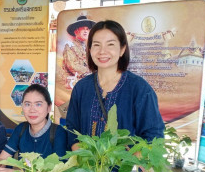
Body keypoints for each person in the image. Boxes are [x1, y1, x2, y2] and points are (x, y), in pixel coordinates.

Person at [66, 20, 165, 151]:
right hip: (87, 169)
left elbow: (154, 136)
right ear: (89, 50)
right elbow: (72, 128)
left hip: (125, 169)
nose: (102, 51)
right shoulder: (81, 88)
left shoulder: (139, 89)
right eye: (96, 45)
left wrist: (131, 160)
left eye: (110, 44)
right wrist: (82, 155)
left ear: (122, 49)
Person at [0, 84, 68, 172]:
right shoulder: (21, 129)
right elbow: (2, 158)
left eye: (38, 104)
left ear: (49, 107)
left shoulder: (58, 132)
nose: (32, 110)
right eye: (27, 104)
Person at [61, 15, 96, 83]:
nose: (86, 31)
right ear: (76, 31)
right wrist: (91, 72)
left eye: (87, 29)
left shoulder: (88, 47)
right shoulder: (70, 46)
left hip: (87, 79)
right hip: (74, 81)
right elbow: (72, 65)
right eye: (83, 29)